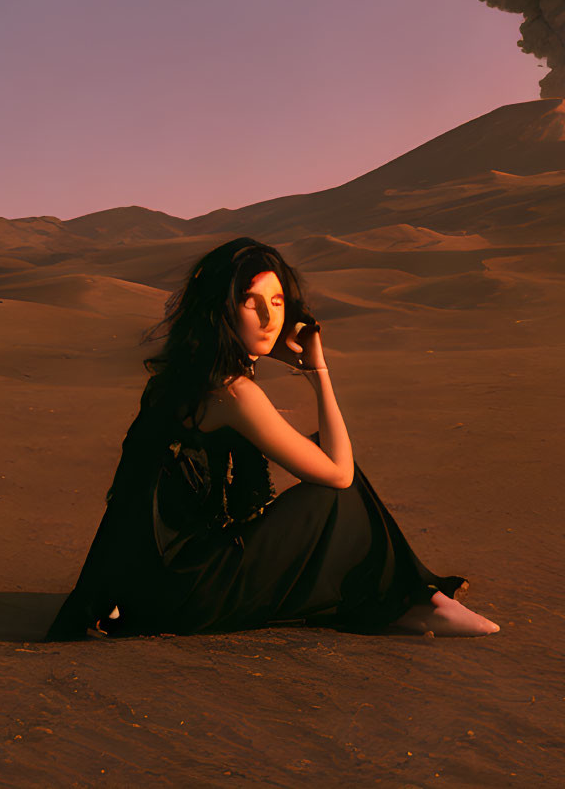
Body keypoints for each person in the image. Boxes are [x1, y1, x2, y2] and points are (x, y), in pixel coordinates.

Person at [45, 236, 498, 640]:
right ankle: (416, 603)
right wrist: (319, 372)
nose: (268, 317)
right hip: (187, 593)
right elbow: (338, 475)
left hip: (153, 583)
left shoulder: (182, 378)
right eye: (250, 301)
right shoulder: (232, 393)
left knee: (327, 456)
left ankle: (414, 600)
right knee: (335, 490)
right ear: (221, 309)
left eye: (278, 301)